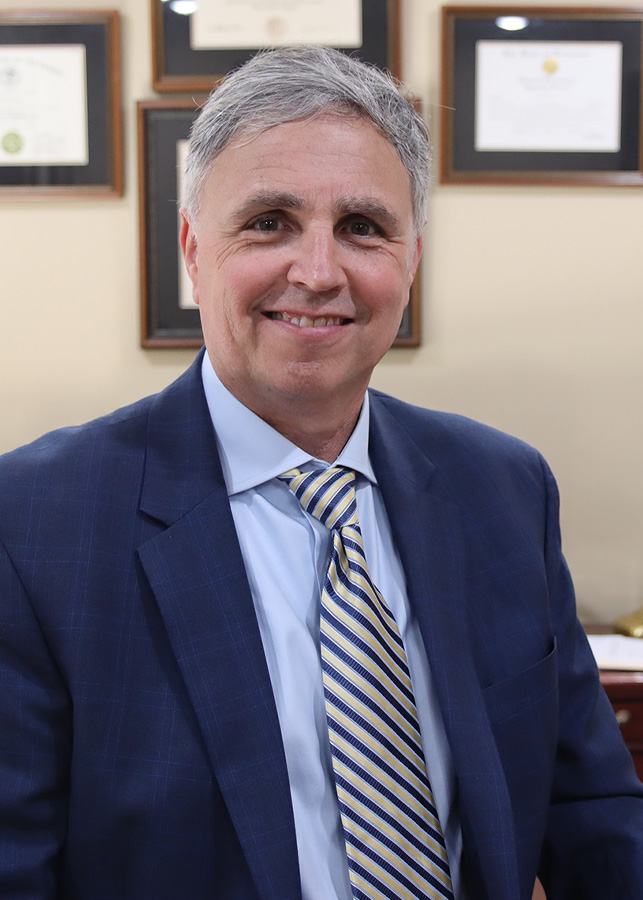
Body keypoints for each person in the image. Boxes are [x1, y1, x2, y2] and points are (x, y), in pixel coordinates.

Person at [0, 45, 641, 900]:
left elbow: (589, 806)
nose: (316, 271)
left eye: (363, 227)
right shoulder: (31, 522)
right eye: (268, 221)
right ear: (193, 249)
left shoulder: (503, 487)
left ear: (410, 261)